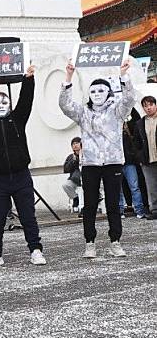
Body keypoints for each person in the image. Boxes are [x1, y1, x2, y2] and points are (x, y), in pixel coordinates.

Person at [0, 65, 47, 268]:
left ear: (10, 105)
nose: (1, 105)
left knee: (28, 215)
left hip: (21, 176)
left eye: (5, 102)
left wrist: (28, 78)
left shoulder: (18, 119)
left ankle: (36, 250)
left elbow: (26, 100)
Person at [59, 59, 136, 258]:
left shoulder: (117, 111)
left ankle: (115, 241)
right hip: (91, 164)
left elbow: (129, 99)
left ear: (109, 92)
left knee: (113, 203)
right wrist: (68, 77)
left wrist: (124, 76)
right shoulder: (84, 113)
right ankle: (90, 242)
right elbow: (65, 105)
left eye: (101, 91)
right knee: (90, 204)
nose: (97, 95)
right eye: (93, 92)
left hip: (112, 163)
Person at [118, 109, 146, 218]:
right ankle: (119, 210)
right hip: (116, 162)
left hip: (129, 160)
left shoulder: (129, 126)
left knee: (134, 186)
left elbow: (135, 139)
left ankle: (139, 209)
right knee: (117, 188)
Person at [133, 95, 157, 220]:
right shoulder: (140, 123)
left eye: (150, 105)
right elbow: (136, 142)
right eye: (145, 106)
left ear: (155, 105)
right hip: (148, 160)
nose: (148, 108)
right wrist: (140, 157)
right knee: (151, 186)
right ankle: (154, 210)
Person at [62, 137, 82, 211]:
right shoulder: (71, 157)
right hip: (74, 179)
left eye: (77, 143)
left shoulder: (86, 155)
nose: (75, 145)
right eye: (73, 144)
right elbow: (66, 169)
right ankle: (75, 198)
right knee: (66, 185)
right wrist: (73, 161)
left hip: (87, 178)